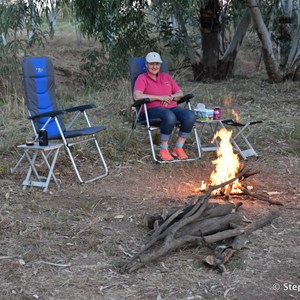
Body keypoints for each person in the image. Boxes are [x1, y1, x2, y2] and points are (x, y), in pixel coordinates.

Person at [133, 52, 196, 161]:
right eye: (151, 64)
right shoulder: (142, 78)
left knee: (190, 115)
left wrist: (171, 97)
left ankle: (178, 148)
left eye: (157, 64)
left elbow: (180, 93)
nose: (154, 66)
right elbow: (137, 96)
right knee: (169, 116)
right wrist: (159, 97)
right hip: (152, 110)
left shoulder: (166, 77)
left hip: (171, 107)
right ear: (146, 65)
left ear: (160, 65)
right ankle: (164, 149)